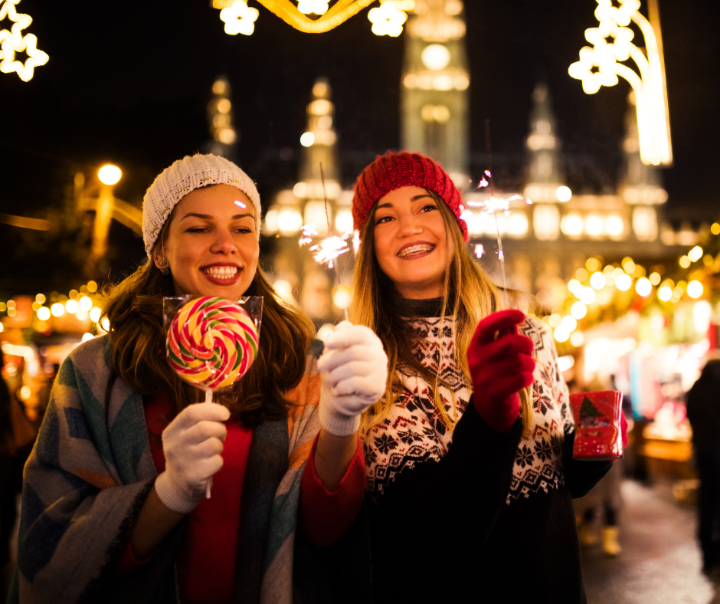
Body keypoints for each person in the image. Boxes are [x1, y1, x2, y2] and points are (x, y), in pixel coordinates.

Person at [9, 154, 386, 604]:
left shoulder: (300, 369)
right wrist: (168, 494)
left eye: (243, 228)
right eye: (198, 227)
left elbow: (324, 530)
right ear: (159, 250)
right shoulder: (94, 374)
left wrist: (342, 422)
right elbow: (49, 556)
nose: (226, 244)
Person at [343, 151, 624, 602]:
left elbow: (553, 482)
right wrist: (489, 419)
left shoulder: (527, 331)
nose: (409, 226)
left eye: (426, 206)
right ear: (369, 246)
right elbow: (431, 540)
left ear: (456, 223)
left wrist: (594, 442)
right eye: (385, 218)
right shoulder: (369, 362)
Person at [686, 354, 720, 575]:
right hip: (718, 452)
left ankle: (707, 551)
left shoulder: (696, 389)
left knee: (706, 501)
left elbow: (689, 416)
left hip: (703, 453)